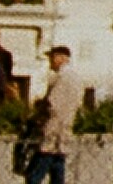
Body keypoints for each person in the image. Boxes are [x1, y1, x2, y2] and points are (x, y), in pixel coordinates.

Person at [23, 46, 82, 184]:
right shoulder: (76, 78)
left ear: (62, 58)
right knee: (57, 170)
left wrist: (38, 113)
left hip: (53, 130)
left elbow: (52, 104)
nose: (50, 61)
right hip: (65, 129)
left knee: (35, 175)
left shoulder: (62, 77)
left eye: (52, 57)